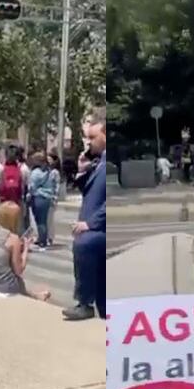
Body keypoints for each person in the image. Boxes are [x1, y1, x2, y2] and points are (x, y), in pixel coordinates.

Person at [63, 114, 107, 321]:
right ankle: (100, 305)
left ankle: (85, 303)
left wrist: (90, 223)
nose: (88, 142)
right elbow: (88, 190)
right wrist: (82, 170)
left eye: (92, 137)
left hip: (101, 228)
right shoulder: (98, 161)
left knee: (85, 245)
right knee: (100, 274)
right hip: (97, 226)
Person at [0, 201, 51, 301]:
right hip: (2, 286)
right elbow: (19, 270)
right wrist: (25, 248)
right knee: (17, 279)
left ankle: (34, 295)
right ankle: (35, 296)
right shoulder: (12, 238)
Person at [28, 152, 59, 249]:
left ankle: (42, 242)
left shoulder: (35, 172)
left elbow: (32, 187)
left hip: (38, 196)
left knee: (39, 220)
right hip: (47, 198)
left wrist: (29, 194)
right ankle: (43, 239)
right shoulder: (50, 171)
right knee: (44, 220)